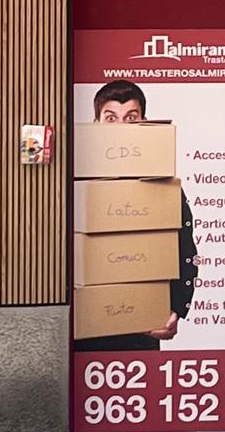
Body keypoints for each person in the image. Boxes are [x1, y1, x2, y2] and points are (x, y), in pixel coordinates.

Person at [73, 80, 198, 353]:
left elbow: (184, 250)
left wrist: (176, 309)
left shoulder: (162, 183)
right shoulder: (75, 183)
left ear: (144, 123)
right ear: (96, 124)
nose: (121, 127)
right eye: (111, 118)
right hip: (84, 334)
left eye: (131, 118)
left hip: (142, 330)